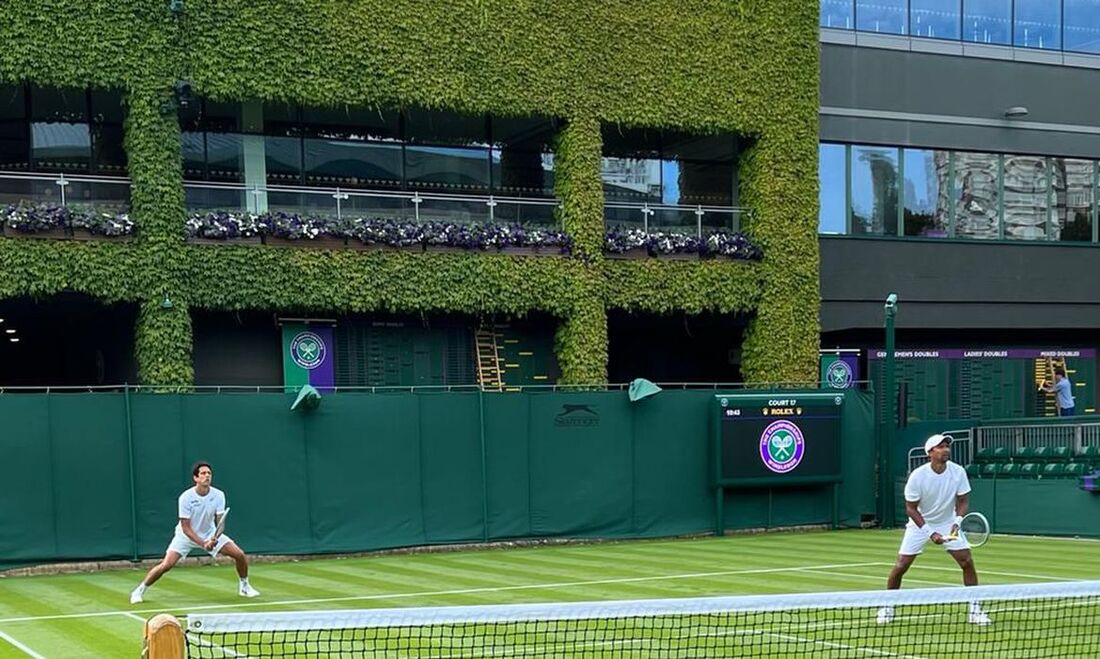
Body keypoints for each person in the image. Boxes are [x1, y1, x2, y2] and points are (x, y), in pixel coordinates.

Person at [877, 434, 990, 626]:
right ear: (930, 452)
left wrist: (957, 522)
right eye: (940, 447)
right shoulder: (918, 476)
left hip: (948, 522)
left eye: (947, 446)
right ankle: (887, 607)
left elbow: (963, 502)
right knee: (901, 566)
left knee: (967, 561)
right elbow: (911, 509)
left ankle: (975, 609)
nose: (946, 449)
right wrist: (930, 532)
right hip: (919, 524)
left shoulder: (958, 472)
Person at [130, 461, 259, 603]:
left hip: (209, 533)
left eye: (209, 473)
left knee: (239, 555)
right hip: (185, 536)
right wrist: (204, 543)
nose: (207, 476)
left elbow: (220, 523)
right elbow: (186, 527)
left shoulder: (219, 495)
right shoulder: (185, 497)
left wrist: (214, 538)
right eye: (203, 473)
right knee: (166, 565)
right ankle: (139, 590)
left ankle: (244, 586)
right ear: (196, 478)